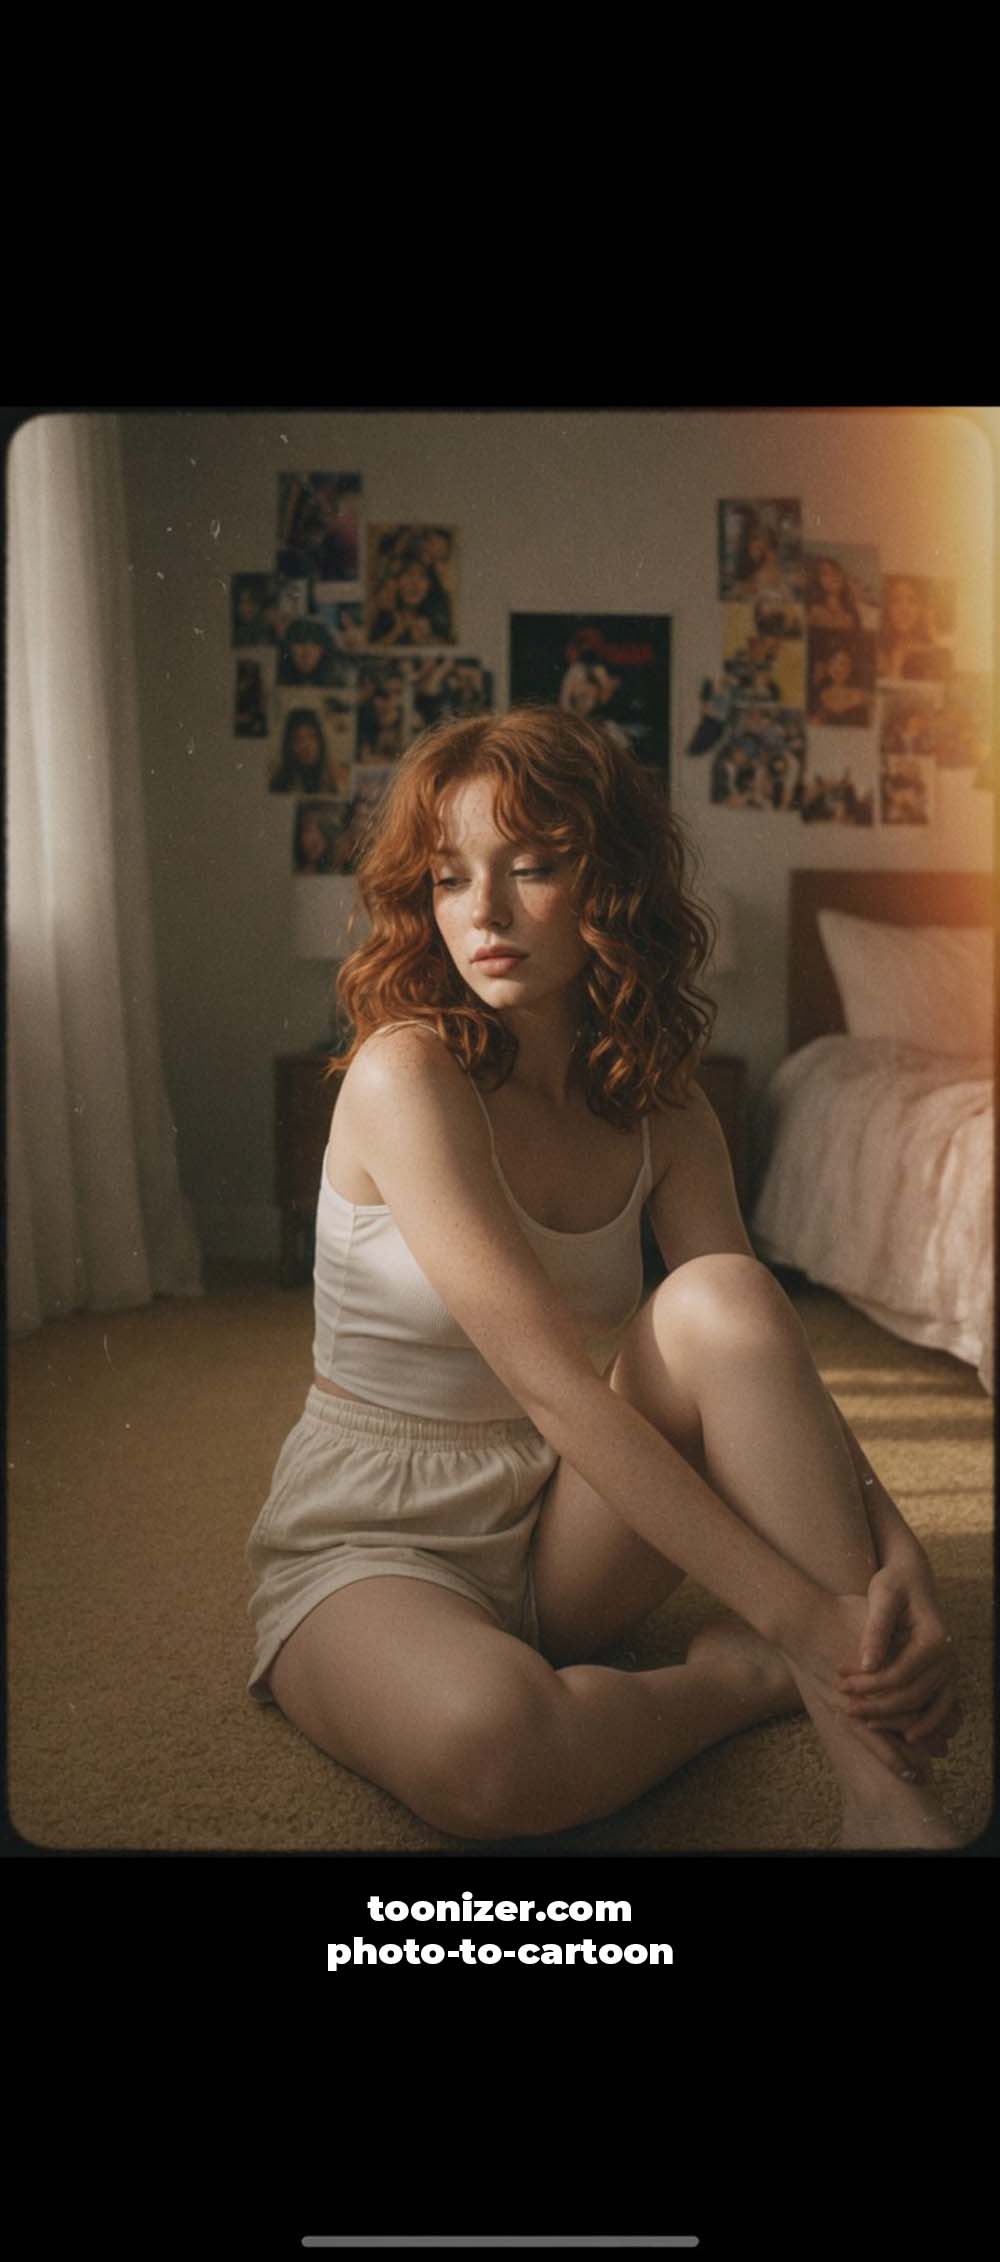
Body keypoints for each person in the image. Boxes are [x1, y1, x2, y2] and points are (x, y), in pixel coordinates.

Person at [246, 706, 962, 1850]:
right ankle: (743, 1685)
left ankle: (878, 1797)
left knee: (723, 1294)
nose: (480, 913)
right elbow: (556, 1390)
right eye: (446, 878)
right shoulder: (404, 1075)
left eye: (530, 868)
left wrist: (896, 1548)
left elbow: (757, 1352)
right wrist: (803, 1622)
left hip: (562, 1526)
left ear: (610, 883)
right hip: (373, 1535)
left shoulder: (663, 1102)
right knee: (495, 1757)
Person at [878, 576, 951, 682]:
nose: (904, 609)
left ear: (921, 609)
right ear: (887, 608)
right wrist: (896, 667)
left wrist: (933, 635)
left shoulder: (933, 647)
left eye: (912, 601)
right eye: (896, 600)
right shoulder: (880, 651)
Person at [270, 709, 340, 795]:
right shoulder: (280, 783)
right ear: (289, 745)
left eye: (312, 736)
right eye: (298, 739)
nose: (307, 746)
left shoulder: (331, 778)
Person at [805, 556, 861, 632]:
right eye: (825, 573)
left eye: (835, 571)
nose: (833, 575)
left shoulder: (851, 612)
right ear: (818, 581)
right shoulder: (813, 611)